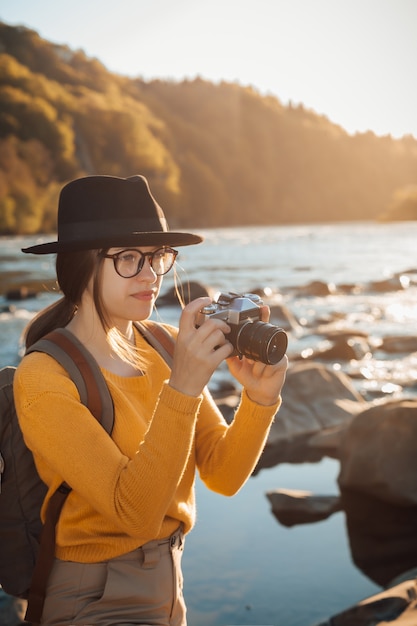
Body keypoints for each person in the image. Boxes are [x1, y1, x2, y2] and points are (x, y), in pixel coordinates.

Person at [14, 174, 288, 626]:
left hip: (170, 583)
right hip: (91, 598)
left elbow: (222, 474)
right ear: (81, 264)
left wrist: (258, 400)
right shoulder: (44, 376)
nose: (149, 275)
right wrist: (183, 387)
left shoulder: (164, 344)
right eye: (128, 258)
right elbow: (135, 512)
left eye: (158, 257)